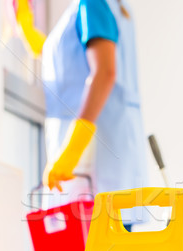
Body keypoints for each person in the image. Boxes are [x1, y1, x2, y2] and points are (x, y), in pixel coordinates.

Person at [41, 0, 147, 215]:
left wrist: (72, 149)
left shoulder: (92, 3)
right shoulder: (109, 5)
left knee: (91, 240)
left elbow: (104, 72)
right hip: (111, 148)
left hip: (93, 156)